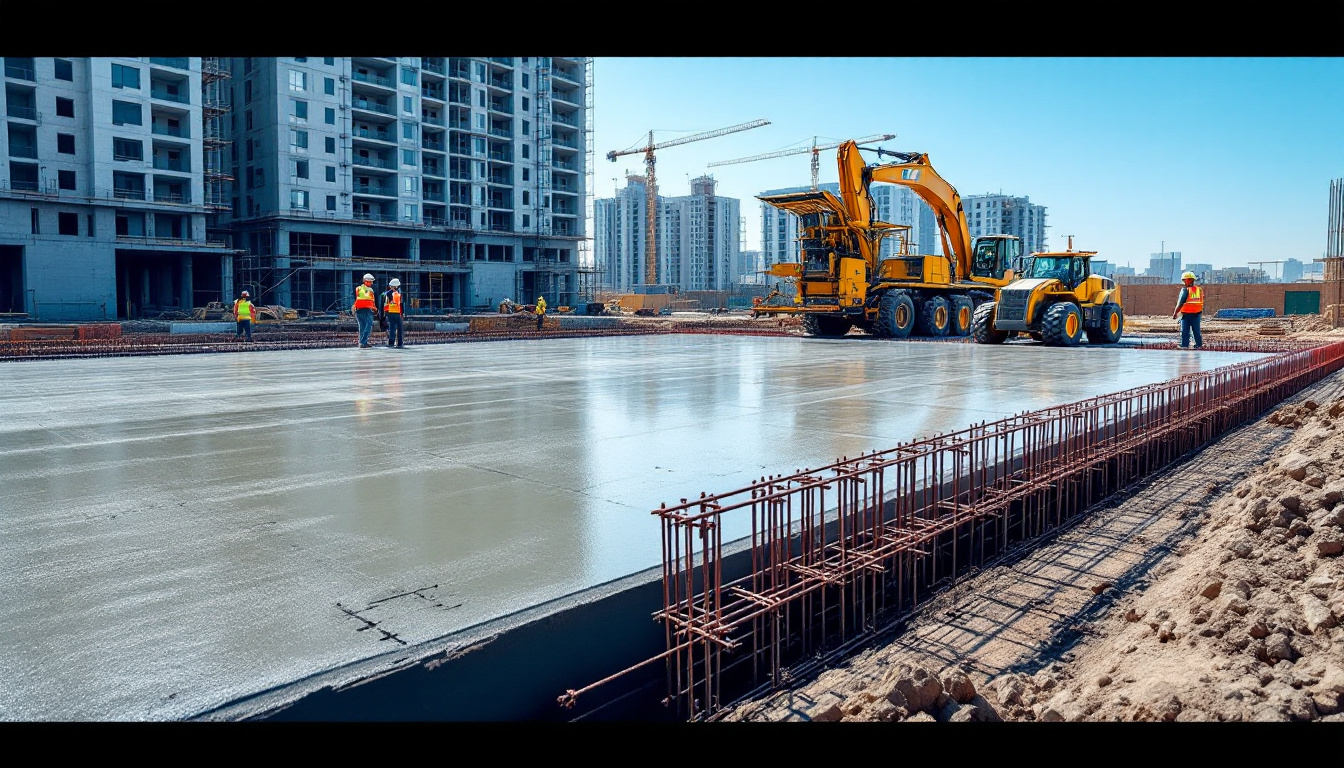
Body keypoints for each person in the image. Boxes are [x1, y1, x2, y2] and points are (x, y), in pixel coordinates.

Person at [1171, 270, 1204, 349]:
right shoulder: (1199, 289)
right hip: (1197, 313)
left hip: (1186, 314)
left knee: (1185, 331)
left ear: (1187, 280)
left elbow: (1181, 303)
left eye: (1184, 280)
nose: (1184, 282)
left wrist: (1175, 313)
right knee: (1196, 331)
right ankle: (1198, 345)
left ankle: (1185, 345)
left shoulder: (1185, 290)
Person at [352, 273, 377, 348]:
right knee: (369, 325)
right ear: (366, 281)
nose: (372, 283)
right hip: (367, 309)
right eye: (370, 282)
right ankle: (363, 342)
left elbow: (357, 298)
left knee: (362, 326)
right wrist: (375, 309)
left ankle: (362, 342)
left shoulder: (358, 288)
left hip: (358, 309)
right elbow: (372, 301)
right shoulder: (370, 290)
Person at [381, 277, 404, 348]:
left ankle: (391, 342)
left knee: (392, 327)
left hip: (389, 313)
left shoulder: (386, 294)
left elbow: (383, 304)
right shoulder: (398, 294)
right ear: (397, 286)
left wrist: (383, 315)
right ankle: (399, 343)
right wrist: (402, 313)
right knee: (399, 328)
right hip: (397, 313)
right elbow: (401, 304)